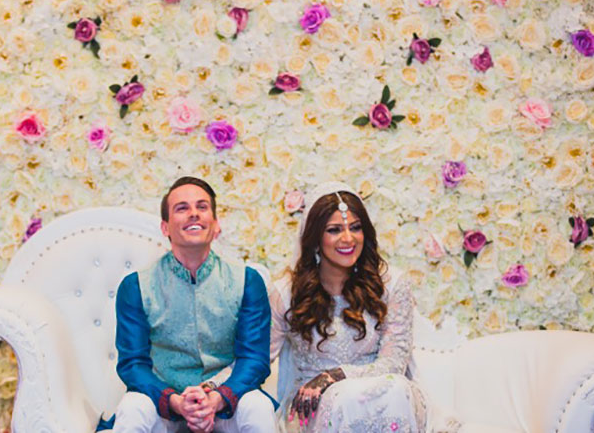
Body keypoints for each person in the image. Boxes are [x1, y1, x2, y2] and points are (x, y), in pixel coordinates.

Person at [113, 176, 276, 433]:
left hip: (224, 400)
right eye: (182, 208)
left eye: (202, 207)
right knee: (132, 408)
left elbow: (254, 359)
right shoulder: (136, 287)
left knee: (258, 407)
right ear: (165, 227)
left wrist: (217, 399)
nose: (193, 214)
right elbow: (132, 364)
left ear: (216, 224)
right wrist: (175, 402)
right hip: (163, 401)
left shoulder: (247, 281)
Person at [270, 182, 427, 432]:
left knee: (396, 388)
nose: (348, 238)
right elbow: (258, 358)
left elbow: (394, 364)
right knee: (346, 398)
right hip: (316, 405)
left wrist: (335, 375)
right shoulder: (287, 293)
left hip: (385, 394)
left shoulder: (391, 285)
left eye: (355, 227)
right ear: (315, 239)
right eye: (334, 230)